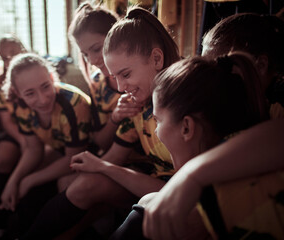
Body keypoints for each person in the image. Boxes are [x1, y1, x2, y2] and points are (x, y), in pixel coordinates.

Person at [20, 6, 180, 239]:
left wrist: (103, 167)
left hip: (168, 190)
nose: (120, 87)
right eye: (116, 77)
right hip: (147, 178)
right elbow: (113, 152)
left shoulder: (183, 101)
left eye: (125, 75)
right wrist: (95, 164)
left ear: (156, 58)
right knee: (79, 183)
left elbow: (178, 188)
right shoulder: (135, 101)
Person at [143, 13, 284, 240]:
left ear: (260, 65)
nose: (216, 75)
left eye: (221, 65)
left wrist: (192, 174)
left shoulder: (277, 103)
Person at [111, 51, 269, 239]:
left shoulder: (214, 200)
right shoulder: (257, 153)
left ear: (186, 127)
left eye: (158, 120)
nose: (156, 132)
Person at [0, 52, 92, 236]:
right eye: (30, 93)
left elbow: (74, 158)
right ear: (18, 93)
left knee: (56, 184)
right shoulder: (21, 106)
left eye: (45, 87)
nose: (42, 99)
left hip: (90, 154)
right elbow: (34, 149)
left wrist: (28, 181)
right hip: (60, 150)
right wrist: (13, 181)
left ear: (52, 78)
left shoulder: (73, 103)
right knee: (22, 189)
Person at [68, 1, 142, 153]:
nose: (93, 61)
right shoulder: (97, 83)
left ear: (115, 34)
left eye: (96, 49)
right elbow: (101, 143)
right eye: (85, 54)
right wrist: (115, 117)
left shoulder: (141, 74)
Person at [0, 34, 27, 237]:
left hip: (42, 132)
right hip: (16, 134)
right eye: (5, 57)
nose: (10, 60)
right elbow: (6, 121)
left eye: (14, 53)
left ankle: (26, 221)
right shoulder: (1, 84)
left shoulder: (37, 71)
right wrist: (23, 141)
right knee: (0, 160)